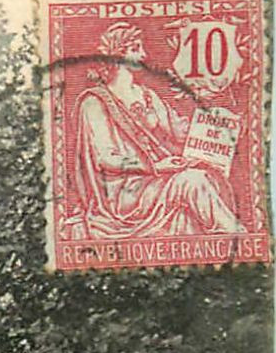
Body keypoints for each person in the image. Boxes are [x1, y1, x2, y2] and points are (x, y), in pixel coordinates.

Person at [68, 22, 245, 241]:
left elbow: (181, 131)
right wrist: (155, 167)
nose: (144, 54)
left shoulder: (147, 95)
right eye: (136, 48)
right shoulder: (94, 102)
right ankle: (239, 238)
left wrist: (215, 120)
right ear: (118, 56)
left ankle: (233, 239)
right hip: (124, 194)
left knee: (206, 177)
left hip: (154, 182)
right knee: (194, 181)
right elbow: (106, 159)